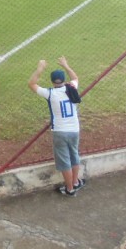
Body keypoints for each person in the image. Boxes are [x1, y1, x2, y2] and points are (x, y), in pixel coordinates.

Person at [28, 56, 82, 196]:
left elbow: (32, 84)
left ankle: (70, 189)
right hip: (74, 129)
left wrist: (39, 69)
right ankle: (75, 182)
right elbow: (75, 78)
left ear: (52, 82)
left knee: (64, 160)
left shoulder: (50, 93)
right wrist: (66, 66)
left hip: (60, 131)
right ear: (64, 80)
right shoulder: (71, 88)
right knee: (74, 155)